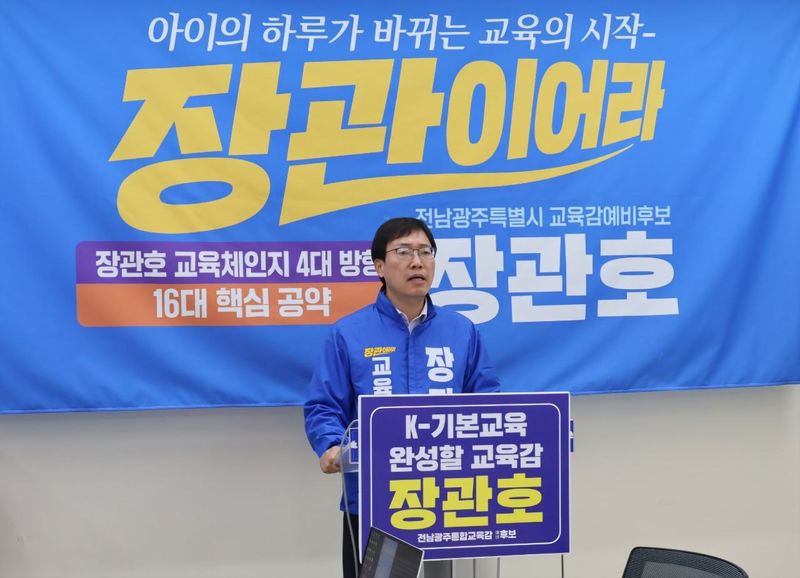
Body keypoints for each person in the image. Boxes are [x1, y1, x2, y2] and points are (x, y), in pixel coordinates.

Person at [304, 217, 501, 578]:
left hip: (447, 494)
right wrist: (331, 446)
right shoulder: (349, 333)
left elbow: (486, 400)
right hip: (376, 496)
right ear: (379, 266)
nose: (417, 262)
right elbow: (324, 405)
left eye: (425, 252)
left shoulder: (462, 330)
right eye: (404, 252)